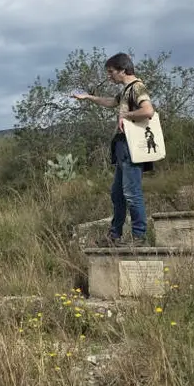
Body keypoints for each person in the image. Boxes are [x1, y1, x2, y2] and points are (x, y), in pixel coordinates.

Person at [73, 52, 156, 246]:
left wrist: (126, 116)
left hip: (131, 147)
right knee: (118, 194)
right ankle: (114, 236)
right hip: (122, 148)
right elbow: (111, 102)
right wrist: (88, 98)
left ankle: (139, 237)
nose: (109, 76)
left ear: (123, 70)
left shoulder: (137, 87)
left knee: (131, 192)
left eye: (111, 72)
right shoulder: (126, 90)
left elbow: (148, 110)